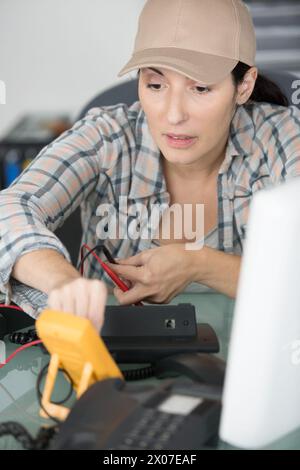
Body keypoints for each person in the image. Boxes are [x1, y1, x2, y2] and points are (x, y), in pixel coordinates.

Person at [0, 0, 299, 330]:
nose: (173, 115)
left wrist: (199, 264)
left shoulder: (280, 135)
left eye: (200, 88)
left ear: (243, 86)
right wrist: (61, 281)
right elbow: (11, 207)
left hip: (257, 361)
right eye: (156, 85)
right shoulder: (108, 135)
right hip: (111, 368)